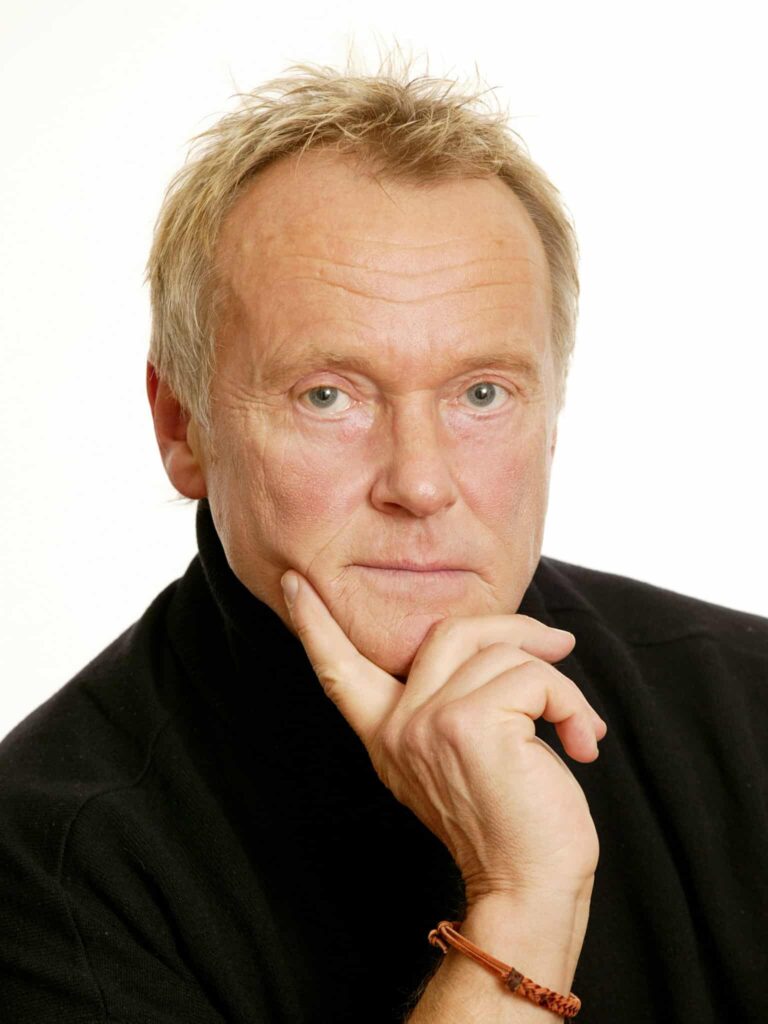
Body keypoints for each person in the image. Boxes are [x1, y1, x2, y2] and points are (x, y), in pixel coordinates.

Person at [1, 60, 766, 1024]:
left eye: (481, 393)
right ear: (182, 425)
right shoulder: (44, 863)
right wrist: (523, 898)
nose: (420, 482)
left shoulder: (752, 708)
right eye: (329, 395)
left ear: (552, 418)